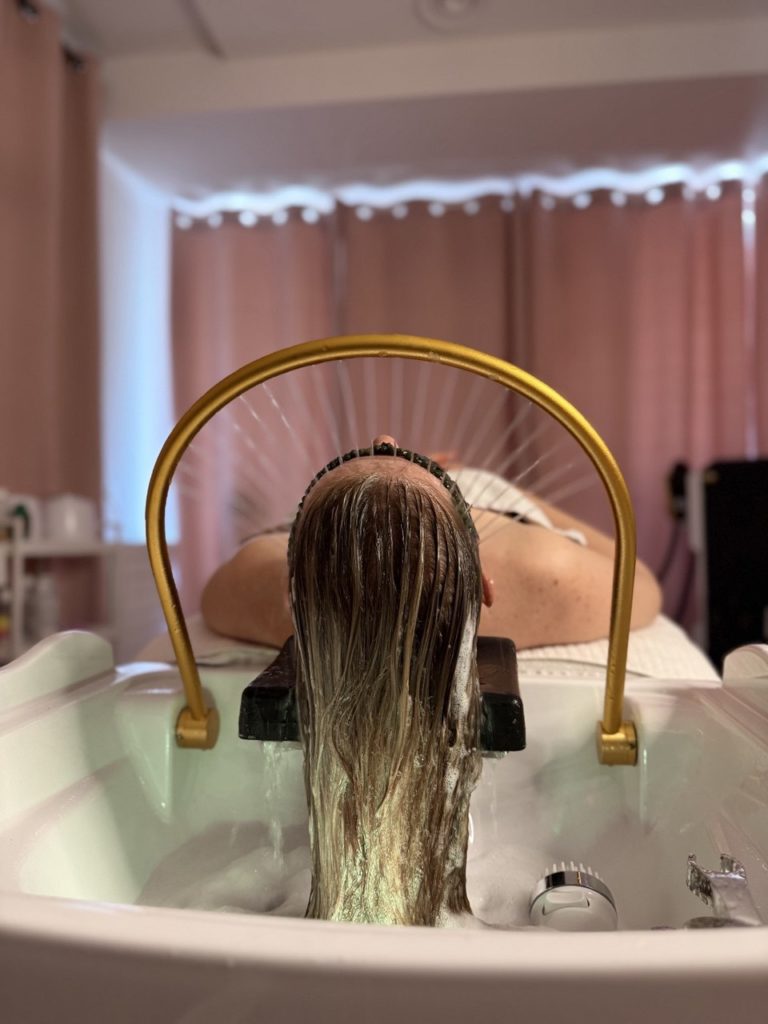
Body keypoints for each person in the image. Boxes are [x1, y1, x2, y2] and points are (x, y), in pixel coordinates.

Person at [201, 436, 662, 927]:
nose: (385, 440)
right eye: (389, 454)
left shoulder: (252, 577)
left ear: (289, 592)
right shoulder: (545, 570)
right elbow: (643, 585)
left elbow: (217, 599)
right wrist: (513, 496)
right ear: (484, 585)